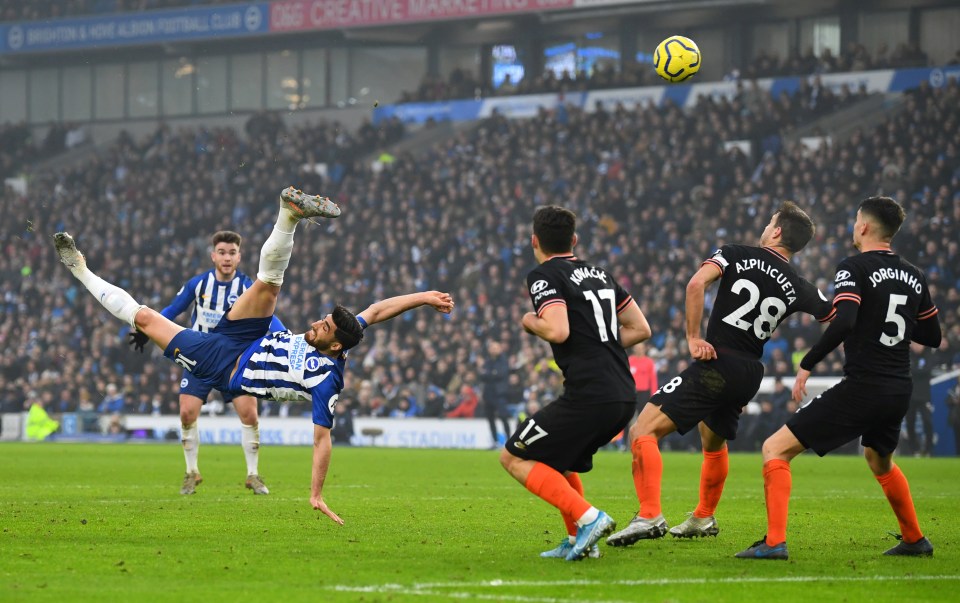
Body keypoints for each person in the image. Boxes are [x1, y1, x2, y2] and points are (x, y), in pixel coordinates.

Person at [54, 186, 454, 524]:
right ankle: (289, 214)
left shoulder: (326, 381)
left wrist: (316, 494)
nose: (315, 323)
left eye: (324, 327)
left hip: (223, 362)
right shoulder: (344, 333)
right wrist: (423, 297)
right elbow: (378, 310)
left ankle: (81, 271)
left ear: (335, 346)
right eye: (322, 320)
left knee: (144, 318)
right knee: (270, 282)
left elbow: (322, 441)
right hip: (249, 334)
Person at [607, 202, 833, 547]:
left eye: (770, 222)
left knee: (642, 430)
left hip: (718, 361)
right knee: (713, 442)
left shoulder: (736, 254)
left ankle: (649, 513)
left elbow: (695, 285)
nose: (766, 226)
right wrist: (812, 360)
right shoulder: (799, 284)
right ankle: (703, 516)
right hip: (749, 373)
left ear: (777, 231)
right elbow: (835, 317)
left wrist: (693, 337)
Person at [737, 196, 942, 560]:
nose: (852, 228)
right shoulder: (914, 275)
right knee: (879, 460)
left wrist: (809, 362)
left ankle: (773, 543)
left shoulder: (853, 266)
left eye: (854, 221)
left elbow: (844, 319)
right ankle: (915, 539)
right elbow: (932, 336)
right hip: (899, 387)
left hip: (864, 385)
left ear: (863, 226)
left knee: (775, 449)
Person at [499, 205, 652, 561]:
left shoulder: (543, 275)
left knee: (513, 456)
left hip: (590, 394)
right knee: (559, 462)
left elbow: (557, 329)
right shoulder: (601, 274)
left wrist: (528, 321)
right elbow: (641, 329)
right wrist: (600, 345)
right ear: (575, 239)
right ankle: (579, 541)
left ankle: (589, 518)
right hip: (621, 393)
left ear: (535, 241)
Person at [129, 230, 285, 495]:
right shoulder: (198, 284)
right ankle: (192, 472)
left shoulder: (247, 287)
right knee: (187, 413)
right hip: (200, 359)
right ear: (213, 256)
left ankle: (253, 474)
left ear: (239, 256)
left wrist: (285, 338)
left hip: (234, 360)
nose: (226, 258)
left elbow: (269, 318)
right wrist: (146, 330)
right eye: (222, 252)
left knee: (249, 414)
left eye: (232, 253)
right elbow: (171, 311)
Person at [623, 342, 657, 450]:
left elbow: (653, 379)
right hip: (632, 392)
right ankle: (625, 444)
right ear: (634, 349)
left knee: (644, 420)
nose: (639, 350)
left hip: (644, 393)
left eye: (641, 348)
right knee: (627, 418)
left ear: (644, 349)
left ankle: (644, 442)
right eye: (637, 348)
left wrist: (654, 394)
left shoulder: (649, 362)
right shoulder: (630, 360)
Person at [479, 340, 512, 448]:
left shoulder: (503, 360)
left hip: (499, 394)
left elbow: (500, 374)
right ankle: (495, 441)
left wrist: (489, 374)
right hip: (488, 394)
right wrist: (491, 373)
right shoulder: (488, 361)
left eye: (496, 347)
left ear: (500, 349)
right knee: (490, 418)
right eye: (492, 348)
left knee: (503, 417)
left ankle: (509, 440)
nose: (494, 350)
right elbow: (482, 376)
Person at [905, 343, 935, 456]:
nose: (917, 347)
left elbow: (927, 370)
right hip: (910, 395)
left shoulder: (928, 354)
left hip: (924, 395)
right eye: (914, 344)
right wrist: (916, 369)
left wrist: (913, 370)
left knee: (928, 422)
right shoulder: (907, 355)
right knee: (910, 423)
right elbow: (905, 369)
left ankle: (928, 449)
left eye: (919, 344)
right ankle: (914, 450)